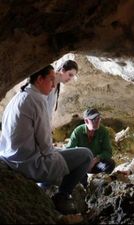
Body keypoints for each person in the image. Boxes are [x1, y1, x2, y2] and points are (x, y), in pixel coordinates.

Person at [0, 65, 93, 215]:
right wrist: (59, 159)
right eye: (50, 80)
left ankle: (48, 185)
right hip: (27, 163)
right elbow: (45, 144)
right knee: (86, 155)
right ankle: (62, 196)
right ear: (39, 79)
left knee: (63, 154)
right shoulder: (36, 100)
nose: (53, 84)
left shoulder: (19, 95)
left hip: (9, 156)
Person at [66, 108, 116, 187]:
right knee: (75, 169)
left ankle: (100, 183)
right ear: (86, 121)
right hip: (82, 164)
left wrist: (96, 159)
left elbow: (108, 152)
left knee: (110, 163)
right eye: (94, 119)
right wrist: (81, 162)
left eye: (99, 119)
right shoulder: (78, 131)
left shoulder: (103, 131)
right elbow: (68, 150)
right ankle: (84, 185)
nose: (97, 121)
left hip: (96, 163)